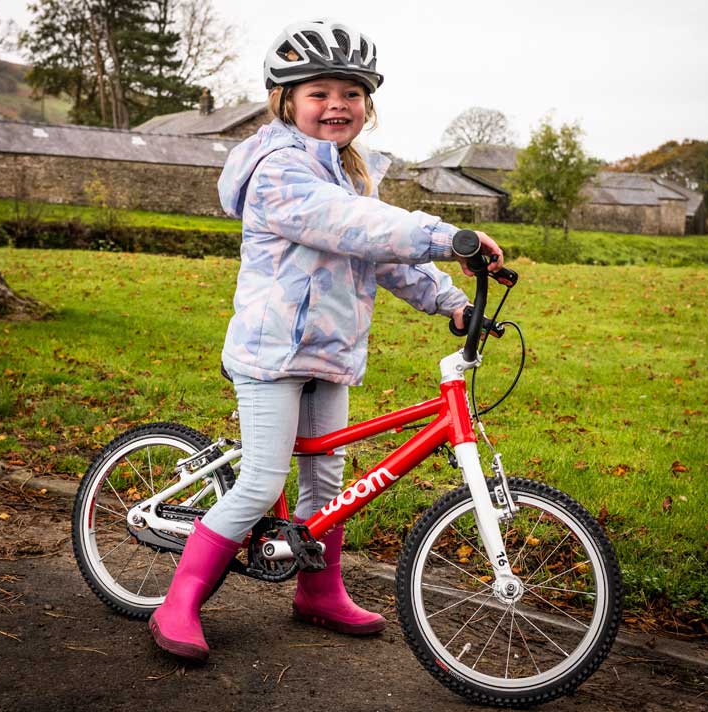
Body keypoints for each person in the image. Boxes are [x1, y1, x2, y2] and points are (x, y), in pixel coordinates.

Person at [149, 18, 504, 662]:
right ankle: (178, 602)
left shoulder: (352, 173)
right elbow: (354, 226)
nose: (336, 105)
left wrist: (451, 301)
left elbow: (381, 257)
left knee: (325, 485)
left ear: (368, 104)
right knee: (260, 484)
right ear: (286, 101)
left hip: (330, 353)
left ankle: (318, 592)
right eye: (319, 93)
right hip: (272, 354)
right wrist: (443, 233)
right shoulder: (278, 170)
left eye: (351, 93)